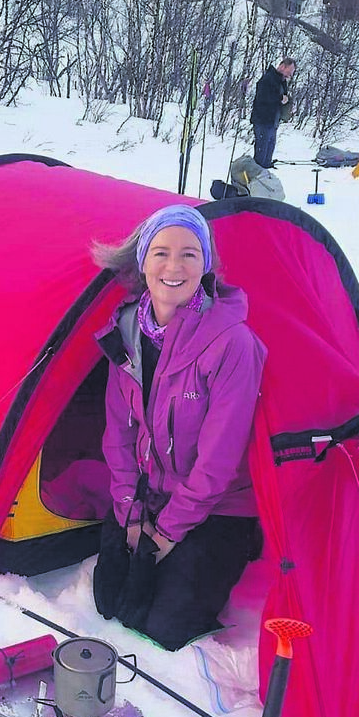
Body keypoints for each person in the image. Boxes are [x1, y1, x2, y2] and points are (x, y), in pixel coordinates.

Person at [91, 204, 266, 651]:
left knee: (164, 626)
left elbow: (218, 461)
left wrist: (166, 532)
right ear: (142, 261)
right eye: (161, 253)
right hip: (151, 492)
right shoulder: (126, 331)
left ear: (206, 264)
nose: (174, 266)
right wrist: (131, 514)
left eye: (189, 254)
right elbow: (119, 433)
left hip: (218, 505)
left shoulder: (232, 344)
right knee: (111, 602)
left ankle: (230, 549)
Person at [250, 58, 296, 169]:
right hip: (263, 121)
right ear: (282, 66)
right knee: (261, 157)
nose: (289, 76)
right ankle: (257, 178)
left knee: (268, 155)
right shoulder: (267, 79)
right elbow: (262, 97)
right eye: (289, 72)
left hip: (273, 122)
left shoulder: (282, 82)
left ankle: (265, 176)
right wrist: (280, 98)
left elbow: (283, 99)